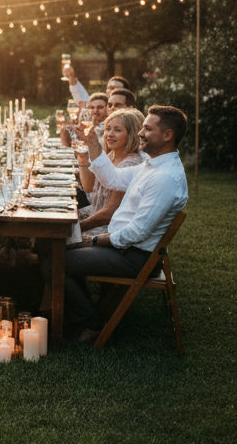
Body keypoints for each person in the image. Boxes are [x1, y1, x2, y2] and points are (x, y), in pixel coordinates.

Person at [50, 105, 189, 342]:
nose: (141, 133)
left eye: (147, 128)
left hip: (134, 256)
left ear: (167, 136)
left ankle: (89, 323)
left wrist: (93, 239)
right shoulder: (151, 165)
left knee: (53, 261)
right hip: (122, 246)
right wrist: (92, 140)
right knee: (55, 247)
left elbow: (137, 232)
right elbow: (111, 179)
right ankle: (84, 314)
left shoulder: (165, 178)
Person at [75, 109, 145, 239]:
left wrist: (79, 227)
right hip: (94, 214)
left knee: (58, 234)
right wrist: (83, 158)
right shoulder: (112, 155)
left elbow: (109, 213)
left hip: (108, 229)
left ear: (132, 134)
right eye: (108, 129)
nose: (110, 134)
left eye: (117, 130)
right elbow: (89, 187)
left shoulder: (130, 164)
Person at [63, 64, 130, 102]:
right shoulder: (97, 107)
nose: (110, 90)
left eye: (114, 88)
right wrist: (71, 76)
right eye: (109, 88)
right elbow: (76, 91)